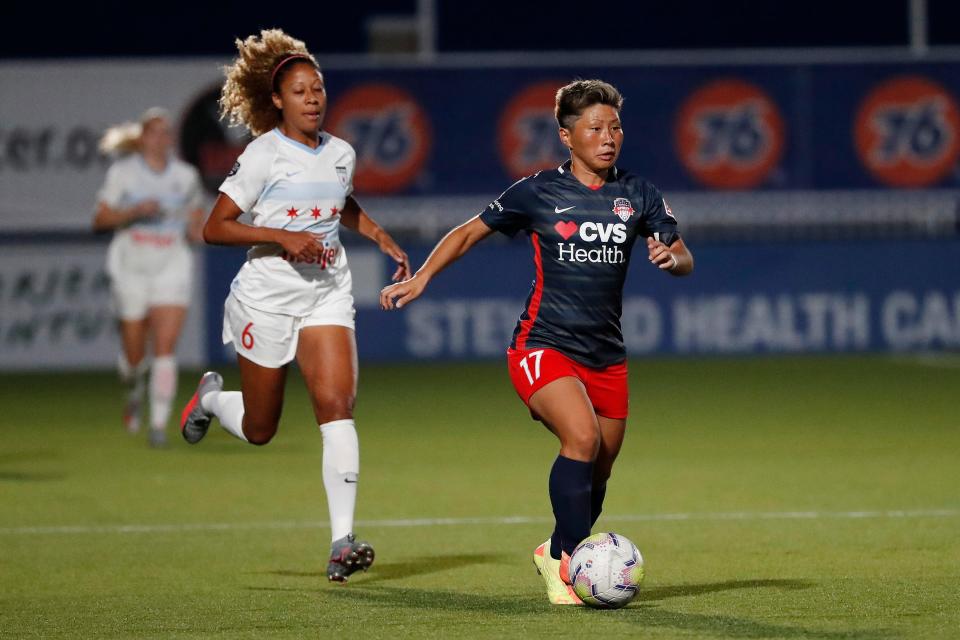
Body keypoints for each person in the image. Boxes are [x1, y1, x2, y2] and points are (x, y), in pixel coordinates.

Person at [380, 79, 693, 605]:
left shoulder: (639, 193)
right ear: (567, 136)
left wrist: (671, 258)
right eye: (594, 127)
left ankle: (556, 549)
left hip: (607, 357)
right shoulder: (538, 192)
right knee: (582, 438)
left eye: (614, 126)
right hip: (540, 345)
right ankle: (569, 566)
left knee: (601, 467)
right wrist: (424, 277)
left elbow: (682, 254)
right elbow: (468, 232)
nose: (608, 136)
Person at [179, 29, 410, 582]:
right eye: (301, 91)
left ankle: (341, 540)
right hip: (267, 296)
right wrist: (281, 237)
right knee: (262, 428)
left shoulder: (341, 152)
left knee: (338, 406)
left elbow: (340, 201)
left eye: (318, 88)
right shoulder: (262, 155)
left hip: (326, 289)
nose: (313, 98)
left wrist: (378, 234)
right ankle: (211, 401)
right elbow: (215, 228)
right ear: (277, 100)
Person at [94, 108, 206, 448]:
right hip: (131, 266)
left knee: (165, 348)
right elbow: (100, 218)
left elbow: (197, 221)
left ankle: (158, 424)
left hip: (171, 264)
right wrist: (133, 212)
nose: (162, 138)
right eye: (154, 132)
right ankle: (133, 387)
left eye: (166, 132)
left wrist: (197, 231)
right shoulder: (124, 174)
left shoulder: (185, 176)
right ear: (142, 138)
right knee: (134, 355)